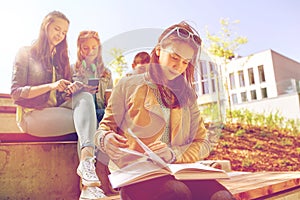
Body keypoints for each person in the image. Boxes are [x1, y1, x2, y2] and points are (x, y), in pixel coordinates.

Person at [95, 21, 236, 200]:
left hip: (180, 171)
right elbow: (104, 129)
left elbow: (203, 143)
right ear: (159, 50)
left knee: (221, 196)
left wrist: (172, 154)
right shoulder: (127, 86)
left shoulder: (188, 96)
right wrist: (105, 139)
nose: (178, 67)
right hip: (140, 175)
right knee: (177, 193)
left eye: (185, 62)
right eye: (175, 58)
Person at [10, 11, 106, 199]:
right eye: (57, 29)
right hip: (33, 115)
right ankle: (88, 188)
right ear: (45, 26)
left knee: (85, 98)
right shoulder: (25, 52)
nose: (60, 35)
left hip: (57, 112)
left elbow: (62, 97)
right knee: (88, 121)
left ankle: (87, 167)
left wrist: (73, 89)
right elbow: (16, 93)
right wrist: (50, 86)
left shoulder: (60, 59)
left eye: (64, 32)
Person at [72, 30, 113, 123]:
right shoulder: (72, 69)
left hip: (100, 111)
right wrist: (81, 89)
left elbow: (110, 98)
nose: (90, 51)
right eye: (86, 48)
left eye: (94, 47)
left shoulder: (106, 72)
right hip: (80, 111)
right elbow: (64, 96)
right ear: (80, 49)